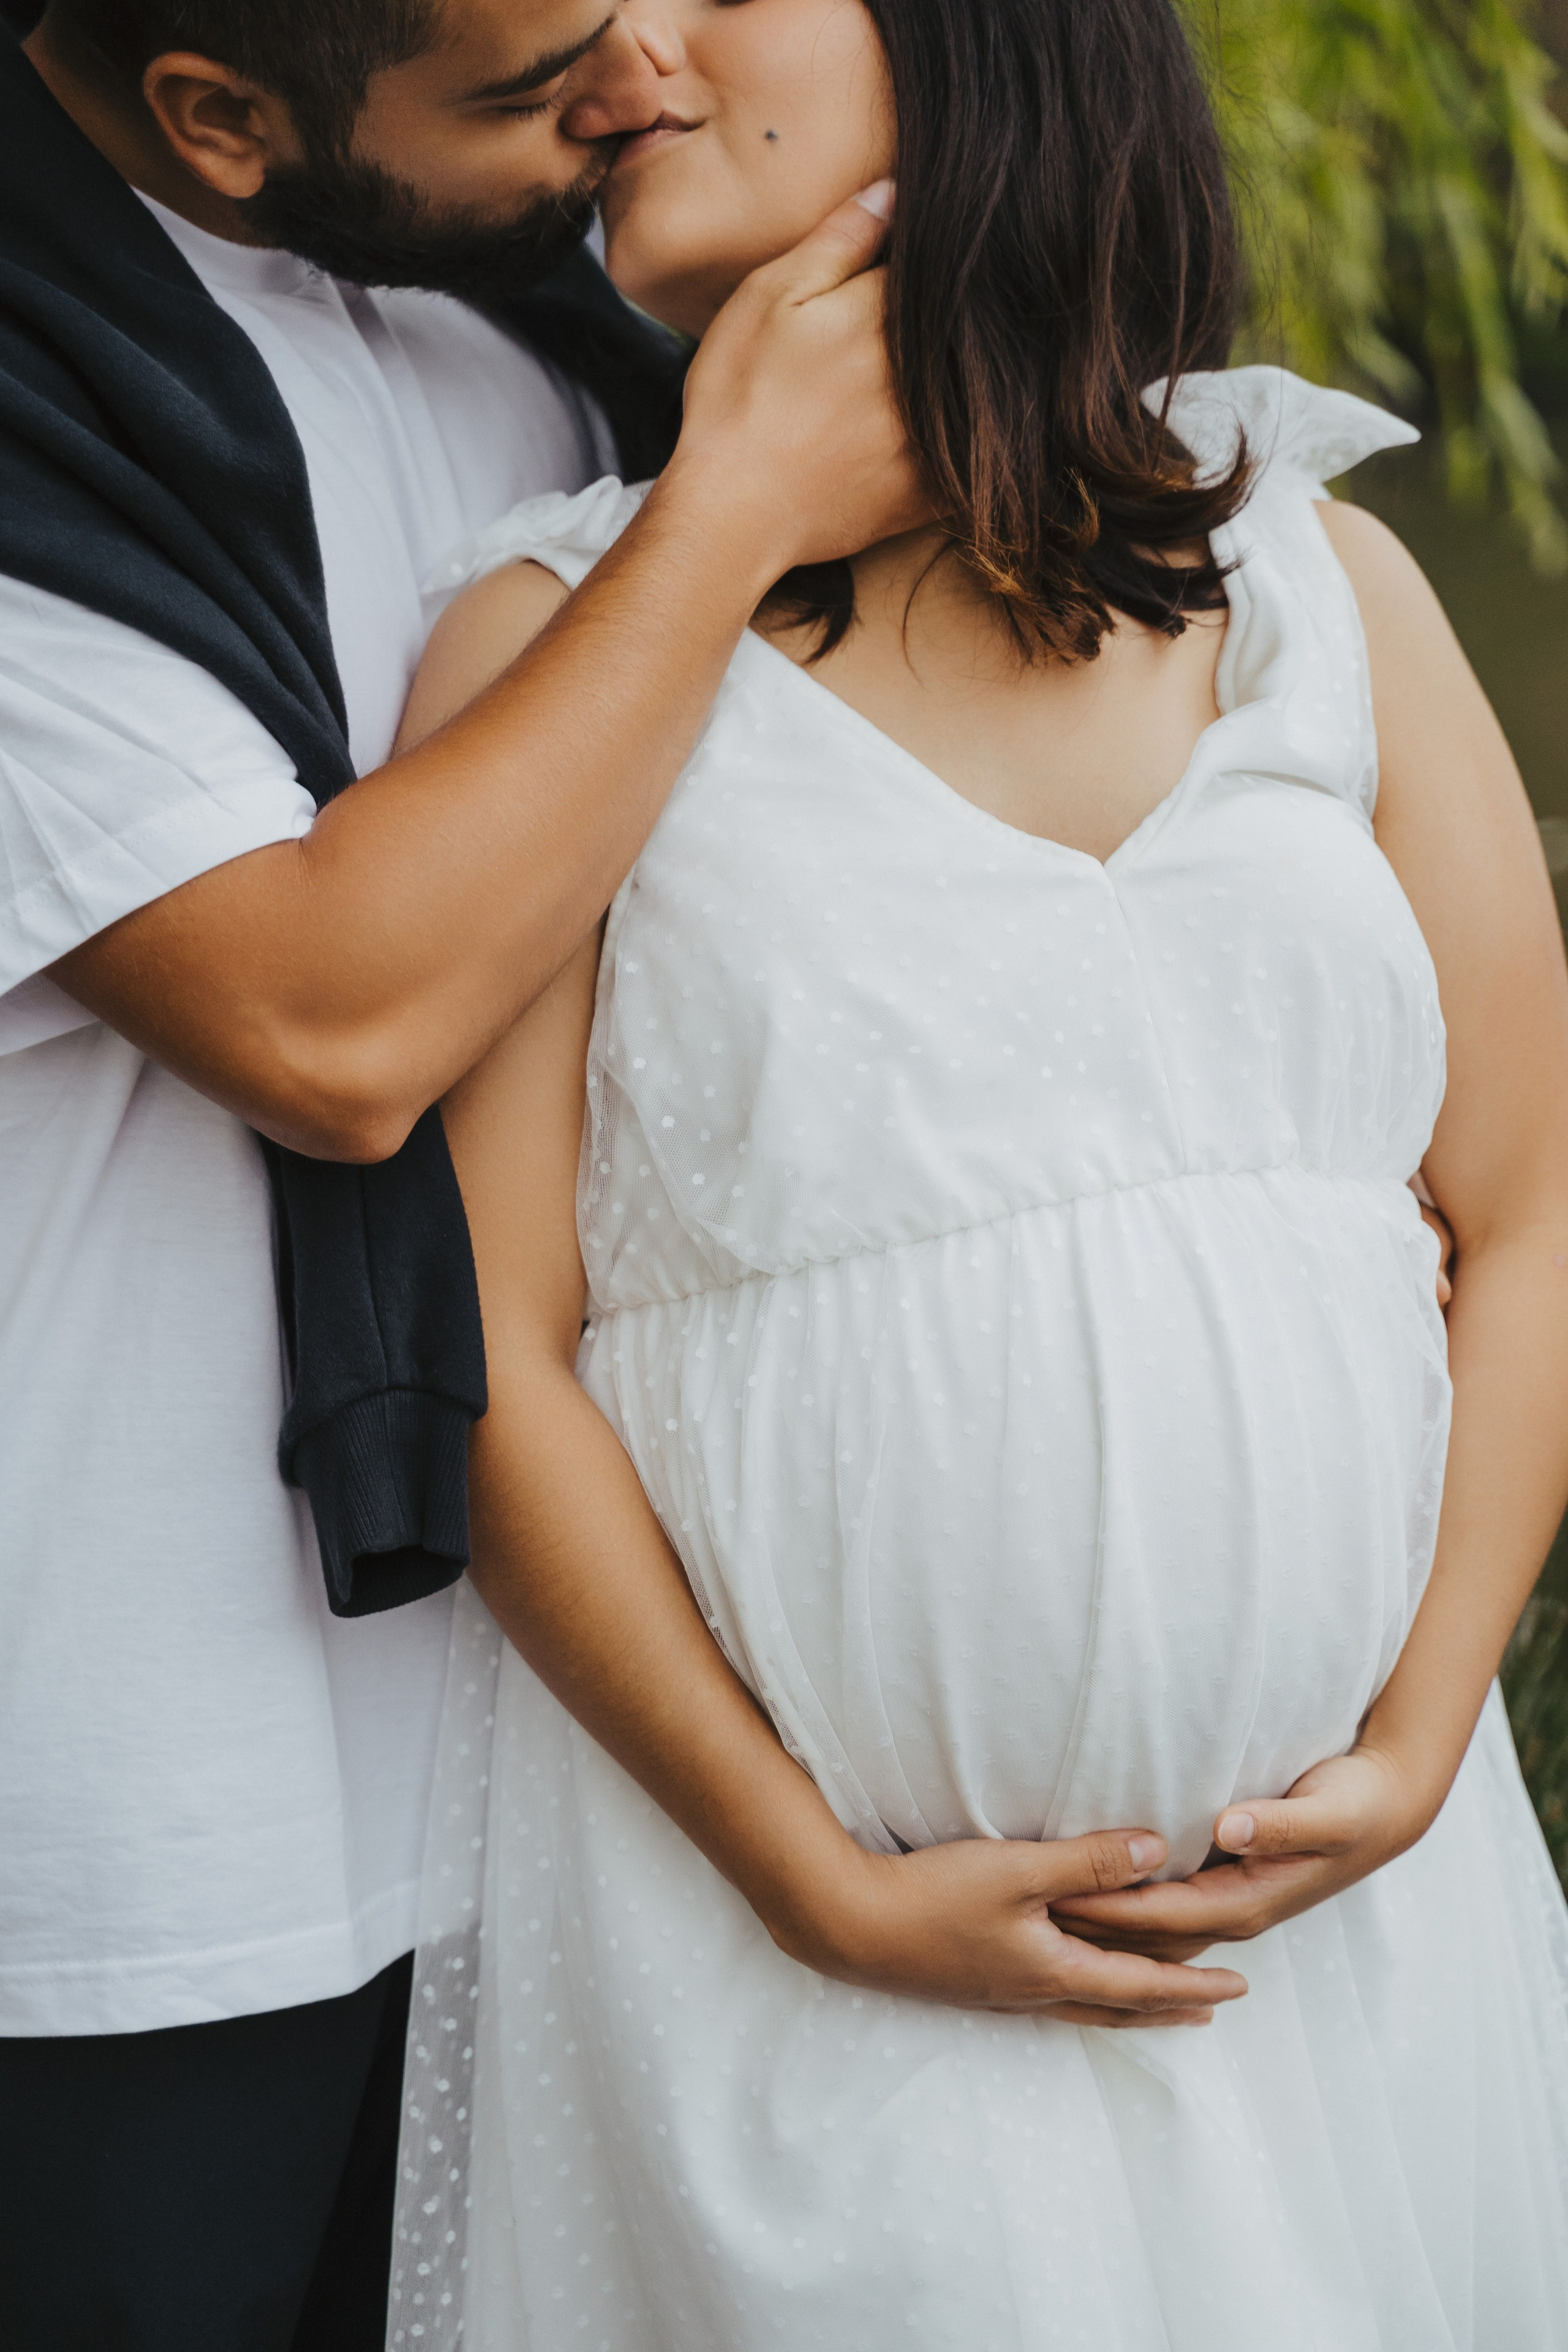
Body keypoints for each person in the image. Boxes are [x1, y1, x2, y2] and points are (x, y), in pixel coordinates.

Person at [388, 0, 1568, 2343]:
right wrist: (809, 1880)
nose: (622, 37)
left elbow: (1527, 1213)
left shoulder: (1321, 584)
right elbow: (486, 1347)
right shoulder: (554, 646)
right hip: (797, 1984)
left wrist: (1433, 1730)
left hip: (1342, 1969)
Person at [0, 1, 931, 2343]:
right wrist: (731, 506)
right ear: (219, 115)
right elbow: (335, 1022)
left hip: (556, 1772)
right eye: (530, 98)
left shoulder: (534, 321)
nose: (614, 93)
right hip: (134, 1832)